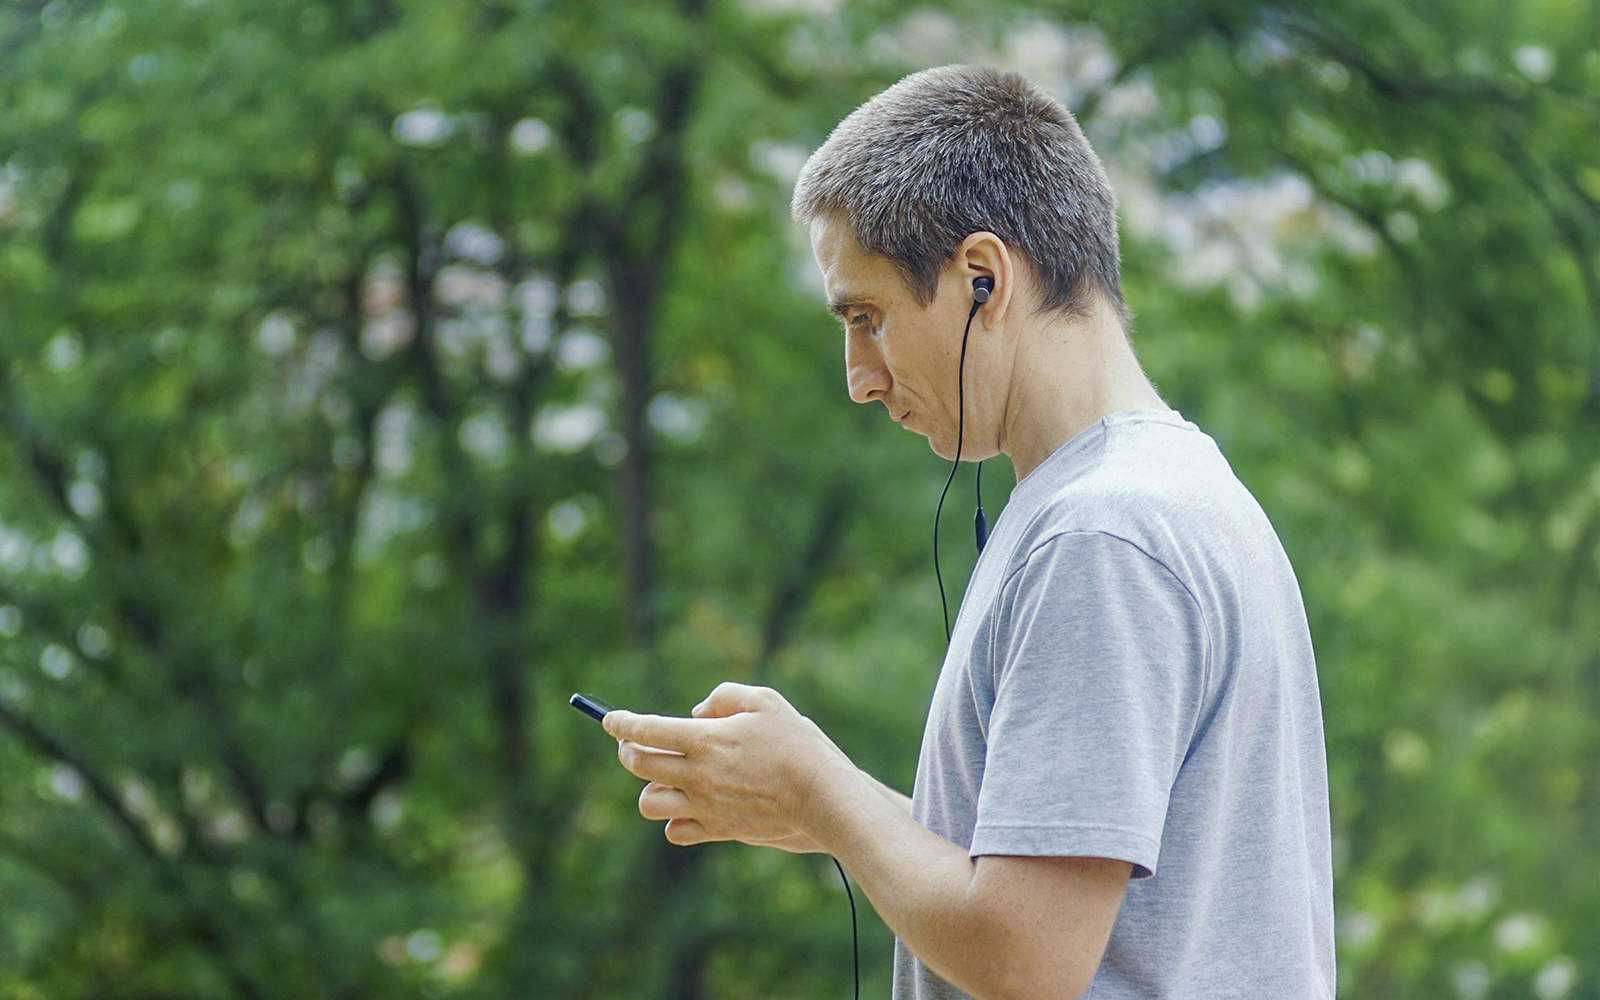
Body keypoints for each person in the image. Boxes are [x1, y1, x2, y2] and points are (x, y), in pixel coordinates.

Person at [604, 64, 1334, 1000]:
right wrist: (837, 816)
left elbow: (1028, 958)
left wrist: (825, 792)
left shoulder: (1101, 538)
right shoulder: (1173, 492)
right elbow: (1081, 902)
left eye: (866, 318)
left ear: (982, 279)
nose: (859, 378)